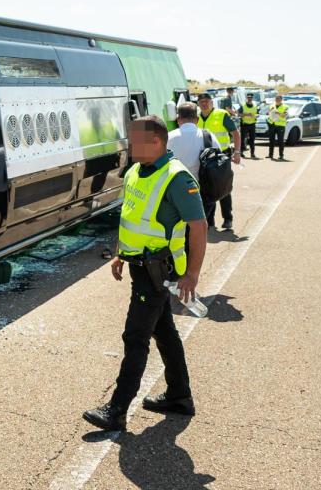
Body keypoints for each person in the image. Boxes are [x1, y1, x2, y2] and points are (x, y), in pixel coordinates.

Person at [83, 115, 207, 431]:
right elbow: (132, 217)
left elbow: (199, 226)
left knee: (135, 336)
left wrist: (191, 274)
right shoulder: (136, 172)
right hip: (139, 266)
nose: (130, 144)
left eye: (135, 139)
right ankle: (179, 396)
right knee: (163, 331)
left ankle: (117, 409)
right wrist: (121, 254)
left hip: (157, 269)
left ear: (156, 141)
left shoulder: (177, 178)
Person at [197, 93, 240, 230]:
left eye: (207, 101)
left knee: (223, 187)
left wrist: (237, 152)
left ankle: (228, 218)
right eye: (201, 101)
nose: (204, 104)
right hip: (204, 157)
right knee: (206, 188)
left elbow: (235, 133)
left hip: (222, 156)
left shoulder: (221, 114)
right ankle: (210, 221)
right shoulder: (195, 117)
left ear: (212, 102)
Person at [167, 103, 221, 180]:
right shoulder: (209, 136)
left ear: (178, 119)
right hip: (204, 186)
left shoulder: (168, 137)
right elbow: (219, 159)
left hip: (176, 185)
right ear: (197, 119)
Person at [267, 95, 289, 160]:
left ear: (281, 100)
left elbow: (284, 115)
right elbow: (268, 113)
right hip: (272, 124)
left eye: (278, 99)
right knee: (271, 140)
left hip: (280, 126)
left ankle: (281, 155)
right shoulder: (272, 105)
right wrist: (269, 112)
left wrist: (278, 113)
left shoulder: (285, 107)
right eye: (276, 99)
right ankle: (270, 155)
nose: (277, 100)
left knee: (280, 141)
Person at [239, 93, 259, 159]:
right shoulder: (243, 105)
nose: (249, 98)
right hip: (244, 124)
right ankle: (241, 152)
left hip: (252, 124)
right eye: (248, 97)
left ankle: (252, 154)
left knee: (252, 140)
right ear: (247, 98)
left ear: (252, 98)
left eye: (250, 97)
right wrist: (245, 114)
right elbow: (239, 114)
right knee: (242, 139)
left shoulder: (255, 105)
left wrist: (255, 116)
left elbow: (257, 114)